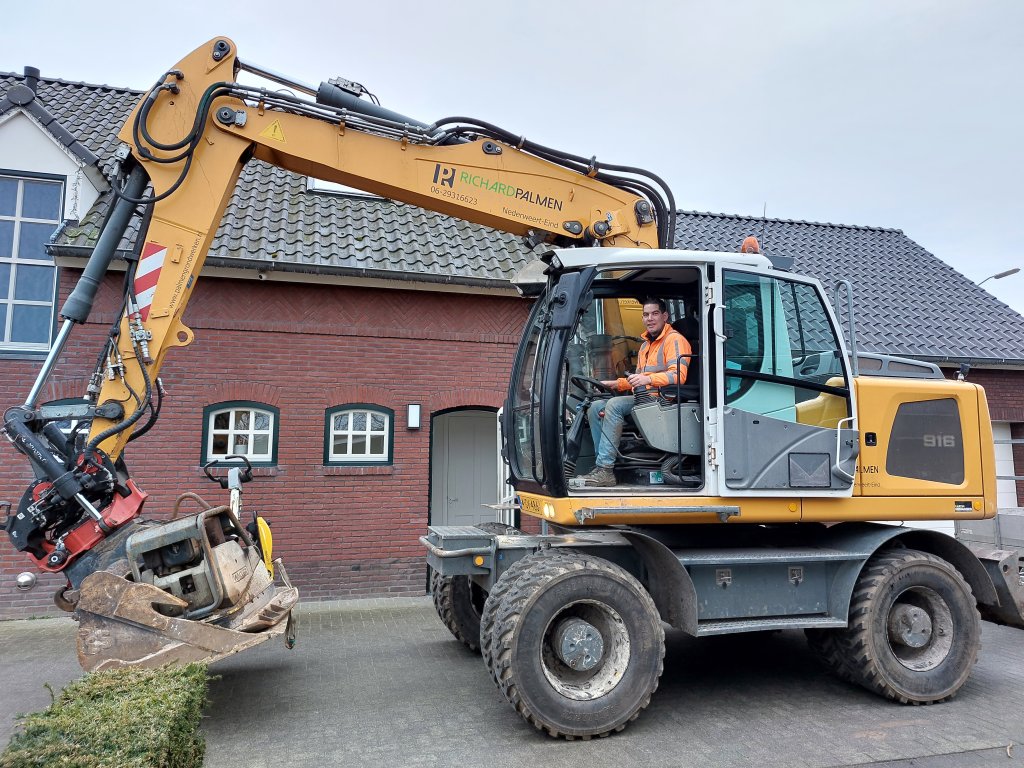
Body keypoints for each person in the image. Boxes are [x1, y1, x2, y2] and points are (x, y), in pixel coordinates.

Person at [573, 298, 693, 488]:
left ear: (665, 316)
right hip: (643, 398)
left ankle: (605, 468)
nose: (650, 318)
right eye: (646, 315)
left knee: (614, 405)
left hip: (663, 400)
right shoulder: (646, 345)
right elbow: (636, 379)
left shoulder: (675, 340)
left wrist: (649, 379)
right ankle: (603, 467)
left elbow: (679, 375)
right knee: (595, 407)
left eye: (654, 314)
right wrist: (614, 383)